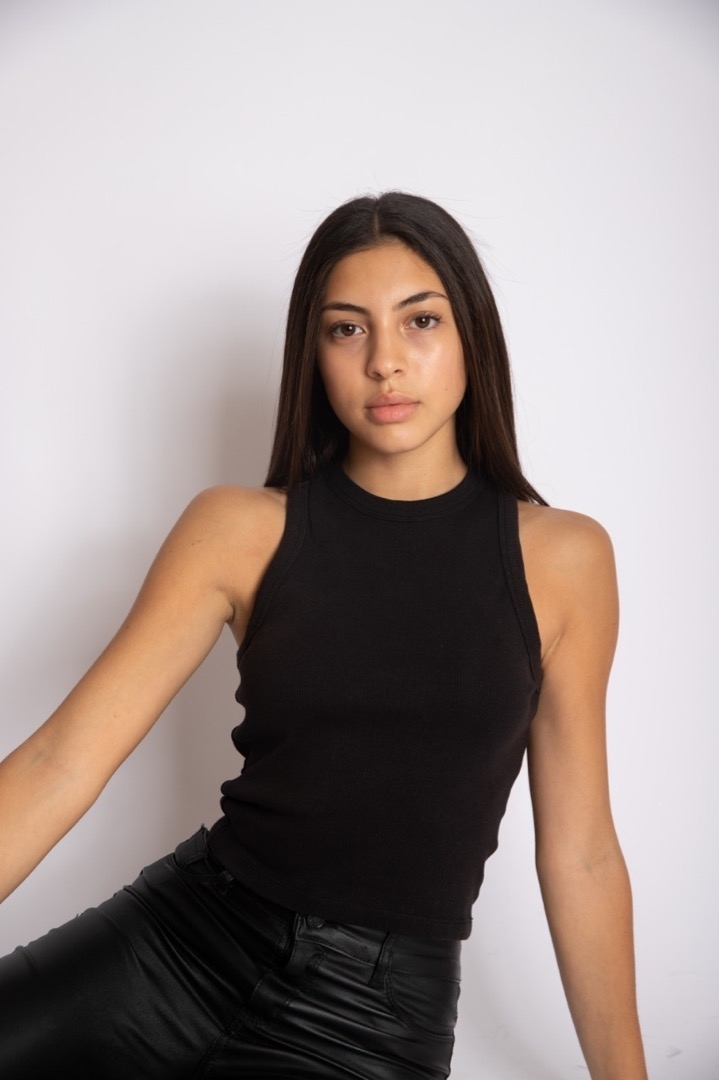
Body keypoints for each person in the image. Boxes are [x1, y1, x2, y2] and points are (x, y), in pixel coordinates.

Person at [0, 192, 647, 1079]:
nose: (385, 361)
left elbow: (581, 853)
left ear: (472, 336)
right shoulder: (238, 529)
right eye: (347, 329)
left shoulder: (564, 559)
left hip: (370, 1016)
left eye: (420, 320)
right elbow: (60, 762)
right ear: (312, 353)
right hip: (181, 942)